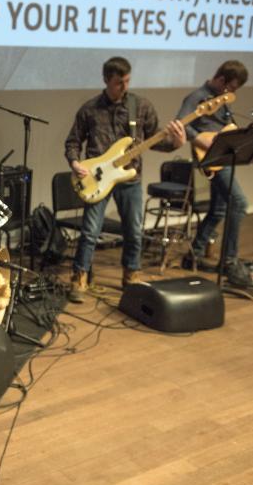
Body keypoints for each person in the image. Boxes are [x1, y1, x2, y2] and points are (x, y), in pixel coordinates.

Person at [64, 56, 186, 303]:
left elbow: (155, 140)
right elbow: (73, 142)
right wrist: (75, 163)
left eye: (128, 81)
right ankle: (80, 276)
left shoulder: (140, 106)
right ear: (106, 80)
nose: (125, 87)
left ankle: (131, 273)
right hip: (97, 180)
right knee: (89, 232)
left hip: (130, 178)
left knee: (133, 230)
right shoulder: (89, 109)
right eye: (119, 82)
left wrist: (175, 143)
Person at [177, 60, 251, 284]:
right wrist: (202, 141)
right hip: (211, 157)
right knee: (238, 203)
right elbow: (181, 123)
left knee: (219, 209)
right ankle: (229, 261)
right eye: (230, 87)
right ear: (220, 80)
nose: (232, 93)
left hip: (223, 157)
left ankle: (194, 255)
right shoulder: (197, 97)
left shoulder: (223, 100)